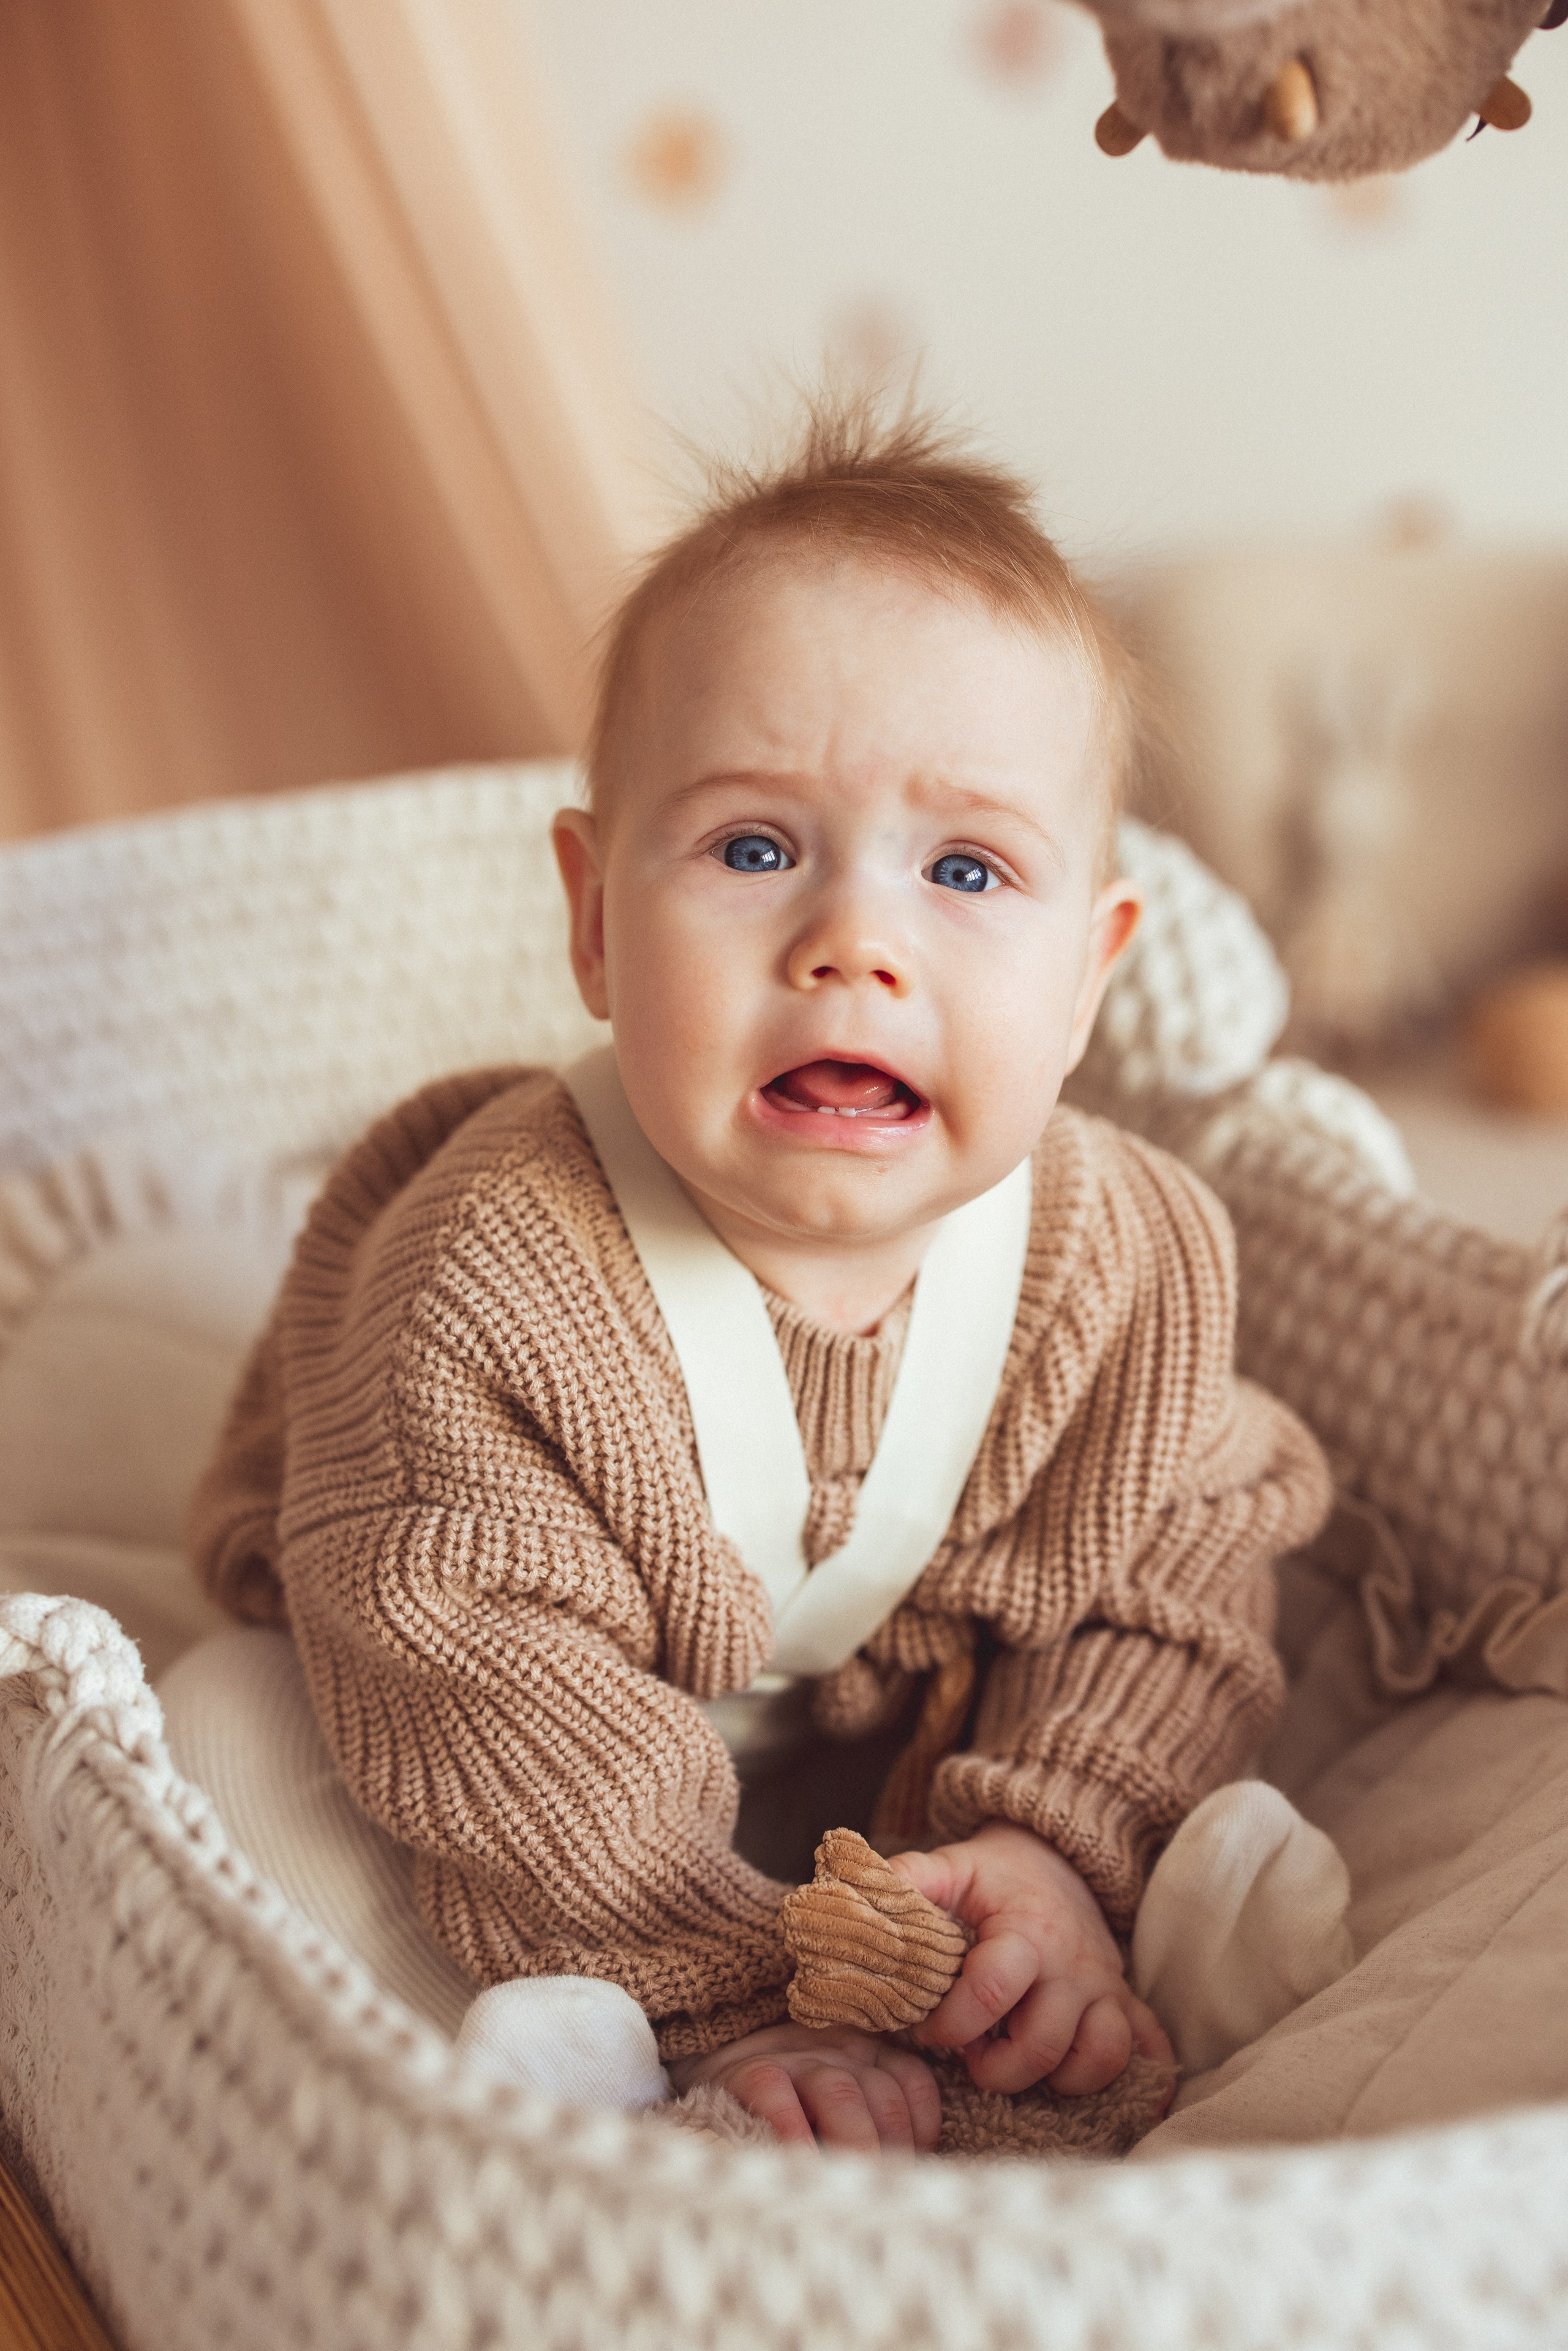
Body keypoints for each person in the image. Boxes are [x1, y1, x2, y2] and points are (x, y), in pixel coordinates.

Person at [190, 393, 1330, 2155]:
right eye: (753, 849)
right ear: (592, 919)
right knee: (230, 1741)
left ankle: (1126, 1921)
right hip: (469, 1688)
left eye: (965, 869)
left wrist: (1051, 1833)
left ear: (1093, 975)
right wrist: (727, 1999)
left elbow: (1175, 1564)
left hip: (864, 1704)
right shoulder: (489, 1285)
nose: (852, 944)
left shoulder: (1123, 1261)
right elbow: (474, 1681)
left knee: (1130, 1695)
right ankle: (552, 2039)